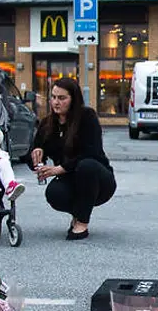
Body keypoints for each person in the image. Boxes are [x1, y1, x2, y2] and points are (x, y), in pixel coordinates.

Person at [31, 76, 116, 240]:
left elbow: (93, 152)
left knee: (87, 165)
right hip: (69, 179)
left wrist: (59, 169)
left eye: (62, 98)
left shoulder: (87, 116)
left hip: (98, 179)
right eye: (53, 97)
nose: (56, 102)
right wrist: (36, 153)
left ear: (73, 99)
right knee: (54, 193)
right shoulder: (47, 123)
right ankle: (78, 213)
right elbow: (33, 152)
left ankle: (82, 222)